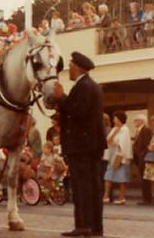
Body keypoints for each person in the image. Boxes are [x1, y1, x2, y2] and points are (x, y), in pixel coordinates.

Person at [53, 51, 105, 237]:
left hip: (81, 145)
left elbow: (79, 111)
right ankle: (95, 226)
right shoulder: (93, 86)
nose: (69, 70)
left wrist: (61, 98)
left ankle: (84, 226)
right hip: (91, 145)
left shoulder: (83, 87)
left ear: (77, 67)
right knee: (92, 186)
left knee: (82, 187)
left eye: (71, 67)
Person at [102, 111, 132, 205]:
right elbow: (108, 140)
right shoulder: (114, 128)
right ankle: (105, 196)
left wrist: (115, 144)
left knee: (122, 177)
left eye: (115, 118)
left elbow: (123, 143)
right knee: (108, 176)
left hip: (120, 155)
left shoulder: (125, 129)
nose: (114, 120)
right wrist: (114, 134)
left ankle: (121, 197)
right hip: (112, 154)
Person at [132, 114, 153, 205]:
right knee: (143, 179)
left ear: (142, 121)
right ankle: (146, 198)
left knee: (145, 179)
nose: (134, 122)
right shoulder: (138, 131)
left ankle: (147, 199)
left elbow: (146, 145)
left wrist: (142, 156)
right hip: (139, 158)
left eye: (136, 120)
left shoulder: (146, 130)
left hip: (144, 158)